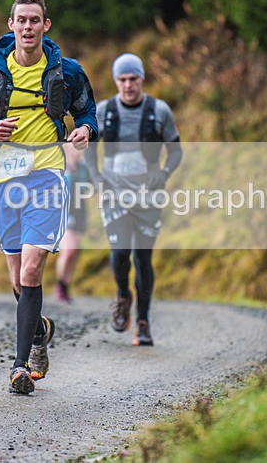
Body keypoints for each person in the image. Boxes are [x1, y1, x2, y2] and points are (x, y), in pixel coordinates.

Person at [0, 0, 98, 394]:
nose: (28, 27)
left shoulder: (66, 71)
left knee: (33, 268)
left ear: (46, 25)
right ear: (11, 24)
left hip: (48, 174)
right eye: (21, 20)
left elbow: (88, 111)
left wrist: (85, 130)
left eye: (35, 20)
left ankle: (19, 367)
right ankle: (39, 331)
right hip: (5, 176)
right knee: (18, 275)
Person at [85, 53, 182, 346]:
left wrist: (163, 174)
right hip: (114, 193)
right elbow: (90, 150)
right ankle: (123, 295)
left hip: (147, 197)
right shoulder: (104, 111)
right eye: (122, 80)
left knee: (143, 259)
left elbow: (176, 151)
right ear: (116, 81)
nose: (128, 85)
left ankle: (143, 322)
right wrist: (97, 177)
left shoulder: (159, 111)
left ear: (142, 79)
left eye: (133, 79)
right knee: (119, 253)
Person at [54, 144, 91, 304]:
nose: (75, 151)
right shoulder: (59, 166)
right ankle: (60, 284)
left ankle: (66, 285)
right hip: (63, 212)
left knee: (74, 251)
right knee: (68, 250)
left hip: (80, 211)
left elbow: (92, 186)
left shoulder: (83, 167)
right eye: (71, 148)